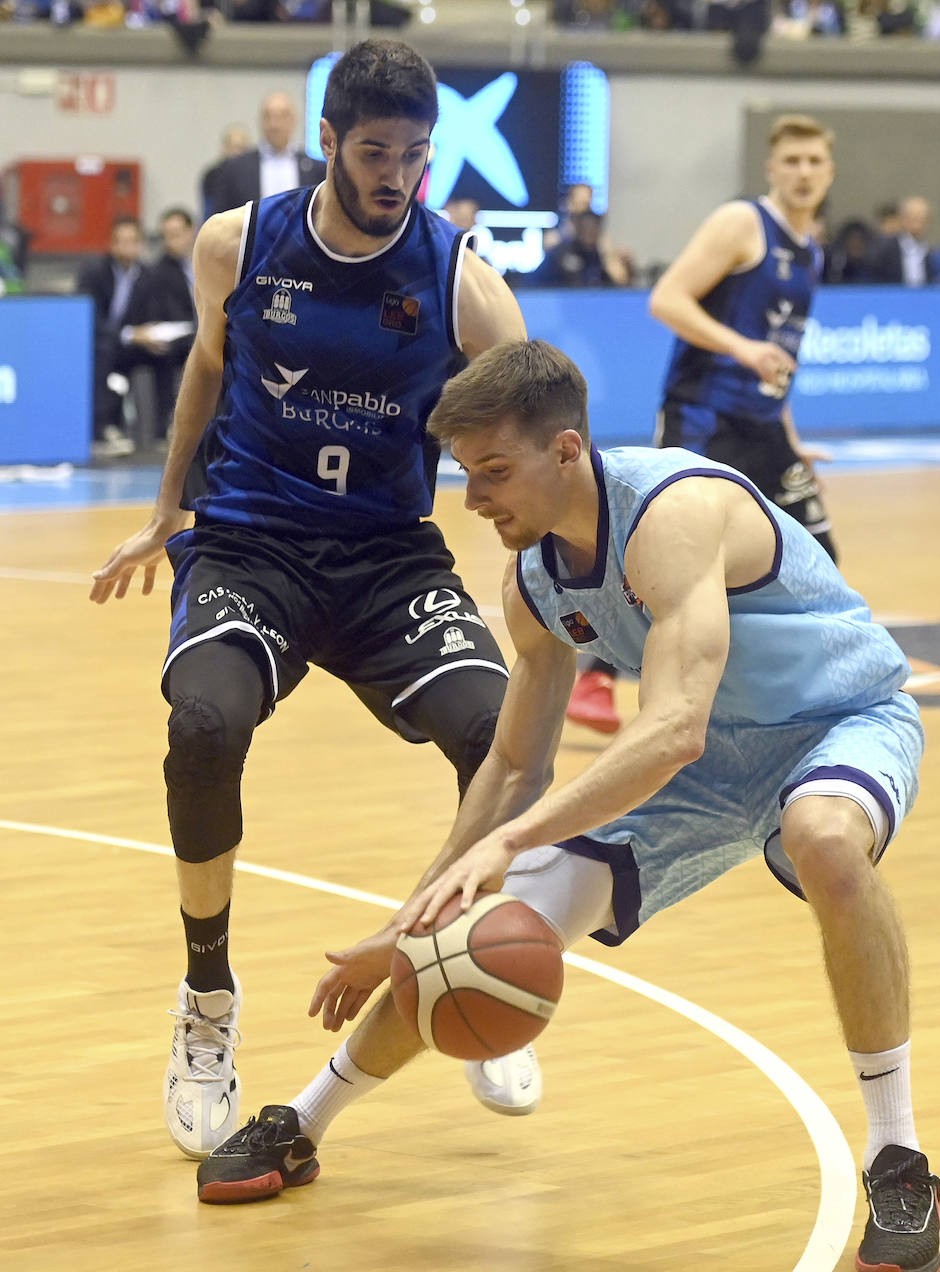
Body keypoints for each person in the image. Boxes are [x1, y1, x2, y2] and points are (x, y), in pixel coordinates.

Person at [195, 338, 940, 1272]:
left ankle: (898, 1160)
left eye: (494, 470)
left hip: (840, 719)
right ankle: (302, 1124)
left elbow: (671, 727)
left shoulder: (674, 513)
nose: (475, 500)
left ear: (568, 450)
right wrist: (406, 924)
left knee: (826, 837)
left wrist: (513, 839)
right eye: (466, 475)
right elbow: (512, 767)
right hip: (712, 769)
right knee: (469, 942)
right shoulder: (534, 581)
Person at [89, 38, 542, 1161]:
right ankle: (206, 1004)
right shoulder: (238, 243)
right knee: (202, 727)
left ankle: (469, 961)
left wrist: (532, 564)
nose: (395, 175)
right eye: (376, 151)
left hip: (389, 560)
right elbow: (205, 366)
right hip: (253, 547)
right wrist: (164, 510)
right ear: (328, 140)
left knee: (498, 734)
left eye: (415, 156)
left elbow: (524, 431)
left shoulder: (461, 282)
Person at [568, 113, 835, 735]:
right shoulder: (744, 223)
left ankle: (770, 696)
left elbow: (778, 358)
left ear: (829, 173)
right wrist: (742, 350)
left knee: (816, 552)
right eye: (791, 161)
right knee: (671, 558)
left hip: (762, 426)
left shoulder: (812, 249)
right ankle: (594, 677)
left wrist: (791, 440)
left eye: (814, 162)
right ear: (771, 169)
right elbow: (666, 299)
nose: (802, 172)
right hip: (705, 416)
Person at [120, 207, 198, 445]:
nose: (171, 241)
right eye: (166, 235)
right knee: (165, 352)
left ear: (190, 232)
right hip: (181, 336)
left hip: (205, 332)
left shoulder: (204, 262)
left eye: (176, 234)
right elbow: (166, 314)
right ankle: (164, 426)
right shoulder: (160, 272)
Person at [76, 215, 146, 460]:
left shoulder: (146, 274)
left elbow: (150, 312)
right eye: (122, 241)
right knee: (104, 352)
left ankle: (164, 430)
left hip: (132, 343)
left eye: (133, 241)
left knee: (169, 353)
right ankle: (102, 429)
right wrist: (127, 334)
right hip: (97, 340)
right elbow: (88, 316)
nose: (128, 247)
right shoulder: (94, 271)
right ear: (112, 244)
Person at [206, 91, 324, 216]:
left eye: (282, 116)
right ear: (260, 121)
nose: (274, 125)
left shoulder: (316, 170)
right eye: (268, 117)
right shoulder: (235, 169)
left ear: (294, 120)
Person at [867, 195, 933, 286]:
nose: (918, 224)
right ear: (903, 219)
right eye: (914, 218)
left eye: (923, 219)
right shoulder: (885, 249)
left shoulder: (929, 251)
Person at [199, 124, 252, 222]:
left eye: (241, 148)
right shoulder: (212, 176)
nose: (237, 152)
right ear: (225, 148)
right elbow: (208, 211)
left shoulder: (252, 175)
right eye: (233, 147)